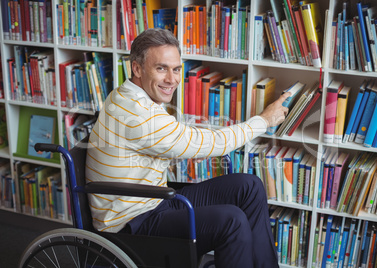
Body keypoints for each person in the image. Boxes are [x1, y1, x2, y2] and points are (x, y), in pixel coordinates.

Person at [86, 28, 290, 268]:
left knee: (249, 186)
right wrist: (264, 120)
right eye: (161, 68)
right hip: (133, 223)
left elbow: (177, 138)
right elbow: (209, 144)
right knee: (231, 221)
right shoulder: (137, 114)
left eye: (176, 69)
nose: (172, 80)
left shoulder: (128, 94)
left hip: (153, 201)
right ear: (137, 68)